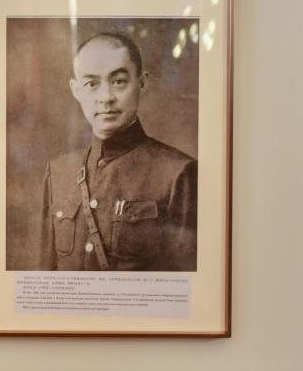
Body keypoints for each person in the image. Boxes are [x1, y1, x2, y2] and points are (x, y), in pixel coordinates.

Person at [41, 32, 197, 272]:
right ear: (76, 90)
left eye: (118, 82)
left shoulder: (178, 173)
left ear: (142, 83)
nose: (106, 98)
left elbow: (188, 287)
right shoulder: (58, 172)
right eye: (91, 84)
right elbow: (45, 277)